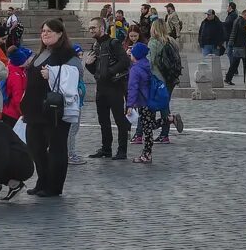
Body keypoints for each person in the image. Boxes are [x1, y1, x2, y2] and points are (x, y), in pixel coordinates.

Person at [21, 19, 79, 197]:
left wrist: (52, 75)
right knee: (35, 147)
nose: (44, 34)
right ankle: (42, 180)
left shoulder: (68, 54)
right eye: (43, 31)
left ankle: (54, 186)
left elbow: (74, 76)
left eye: (49, 31)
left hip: (54, 110)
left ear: (60, 33)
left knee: (56, 148)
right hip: (35, 110)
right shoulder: (41, 53)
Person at [84, 19, 129, 159]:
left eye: (94, 28)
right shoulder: (96, 45)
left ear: (102, 28)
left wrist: (109, 72)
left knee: (119, 120)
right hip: (101, 88)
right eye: (90, 28)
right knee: (103, 120)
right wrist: (88, 65)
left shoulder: (113, 43)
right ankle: (106, 149)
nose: (91, 30)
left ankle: (122, 150)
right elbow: (95, 70)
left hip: (115, 87)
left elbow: (125, 61)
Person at [126, 42, 156, 164]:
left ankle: (146, 154)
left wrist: (130, 105)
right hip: (151, 100)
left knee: (147, 128)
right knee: (149, 125)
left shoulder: (135, 69)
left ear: (136, 55)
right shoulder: (146, 65)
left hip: (143, 102)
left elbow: (132, 88)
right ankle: (169, 119)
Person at [2, 45, 30, 126]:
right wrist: (23, 113)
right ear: (21, 62)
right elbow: (18, 97)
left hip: (9, 111)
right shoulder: (16, 76)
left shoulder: (16, 71)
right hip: (13, 114)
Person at [224, 8, 246, 86]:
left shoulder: (237, 20)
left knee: (235, 63)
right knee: (244, 63)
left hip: (237, 45)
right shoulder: (241, 21)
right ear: (245, 15)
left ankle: (228, 78)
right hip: (241, 46)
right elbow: (243, 30)